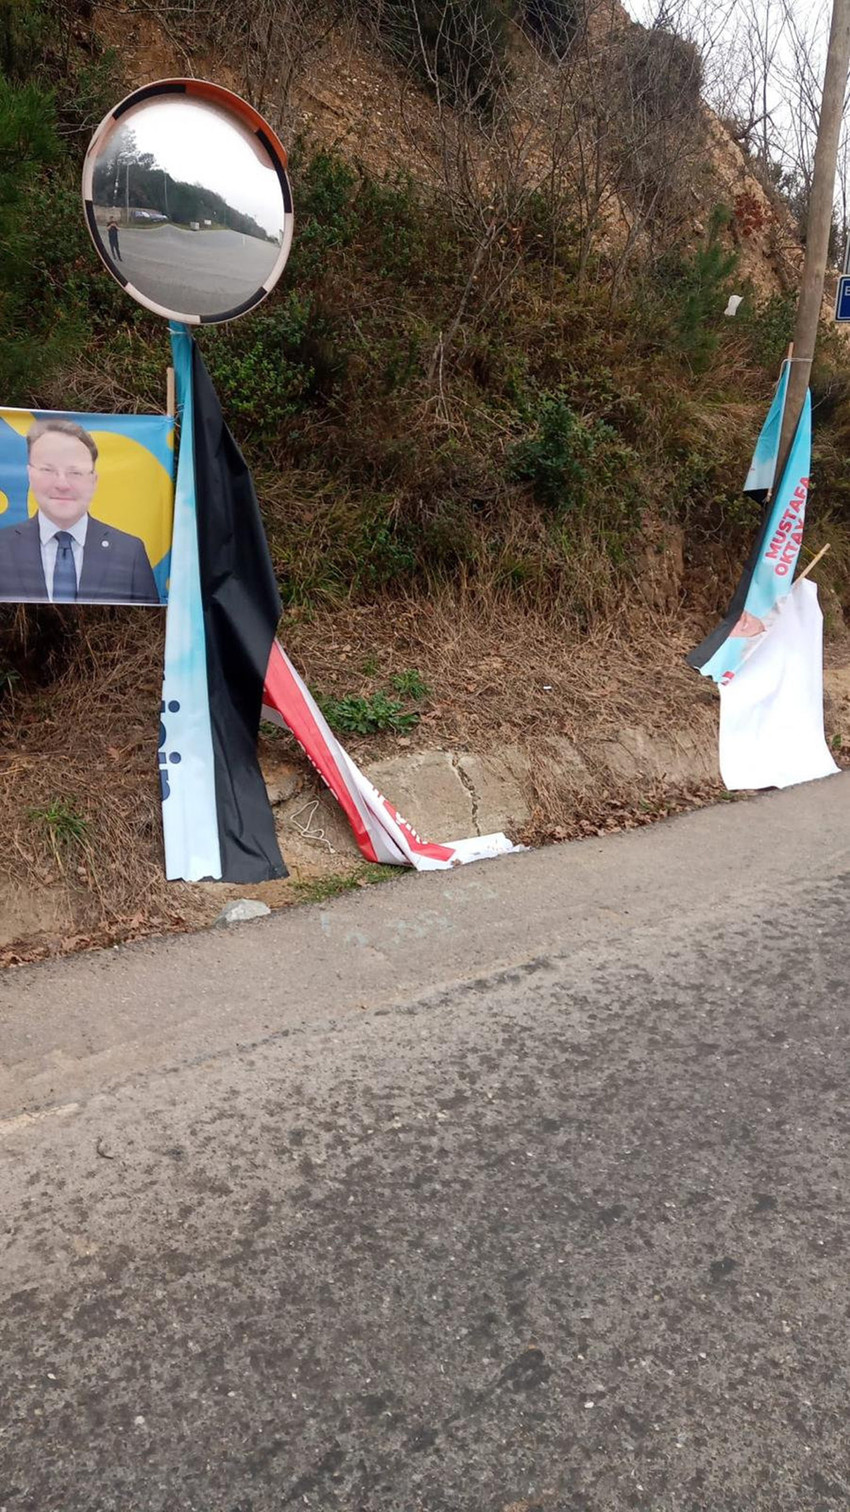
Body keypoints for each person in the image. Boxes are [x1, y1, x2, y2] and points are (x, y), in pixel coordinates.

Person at [0, 418, 160, 605]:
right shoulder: (3, 547)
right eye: (48, 470)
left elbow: (150, 625)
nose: (62, 484)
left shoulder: (129, 552)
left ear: (93, 481)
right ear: (30, 474)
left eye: (75, 472)